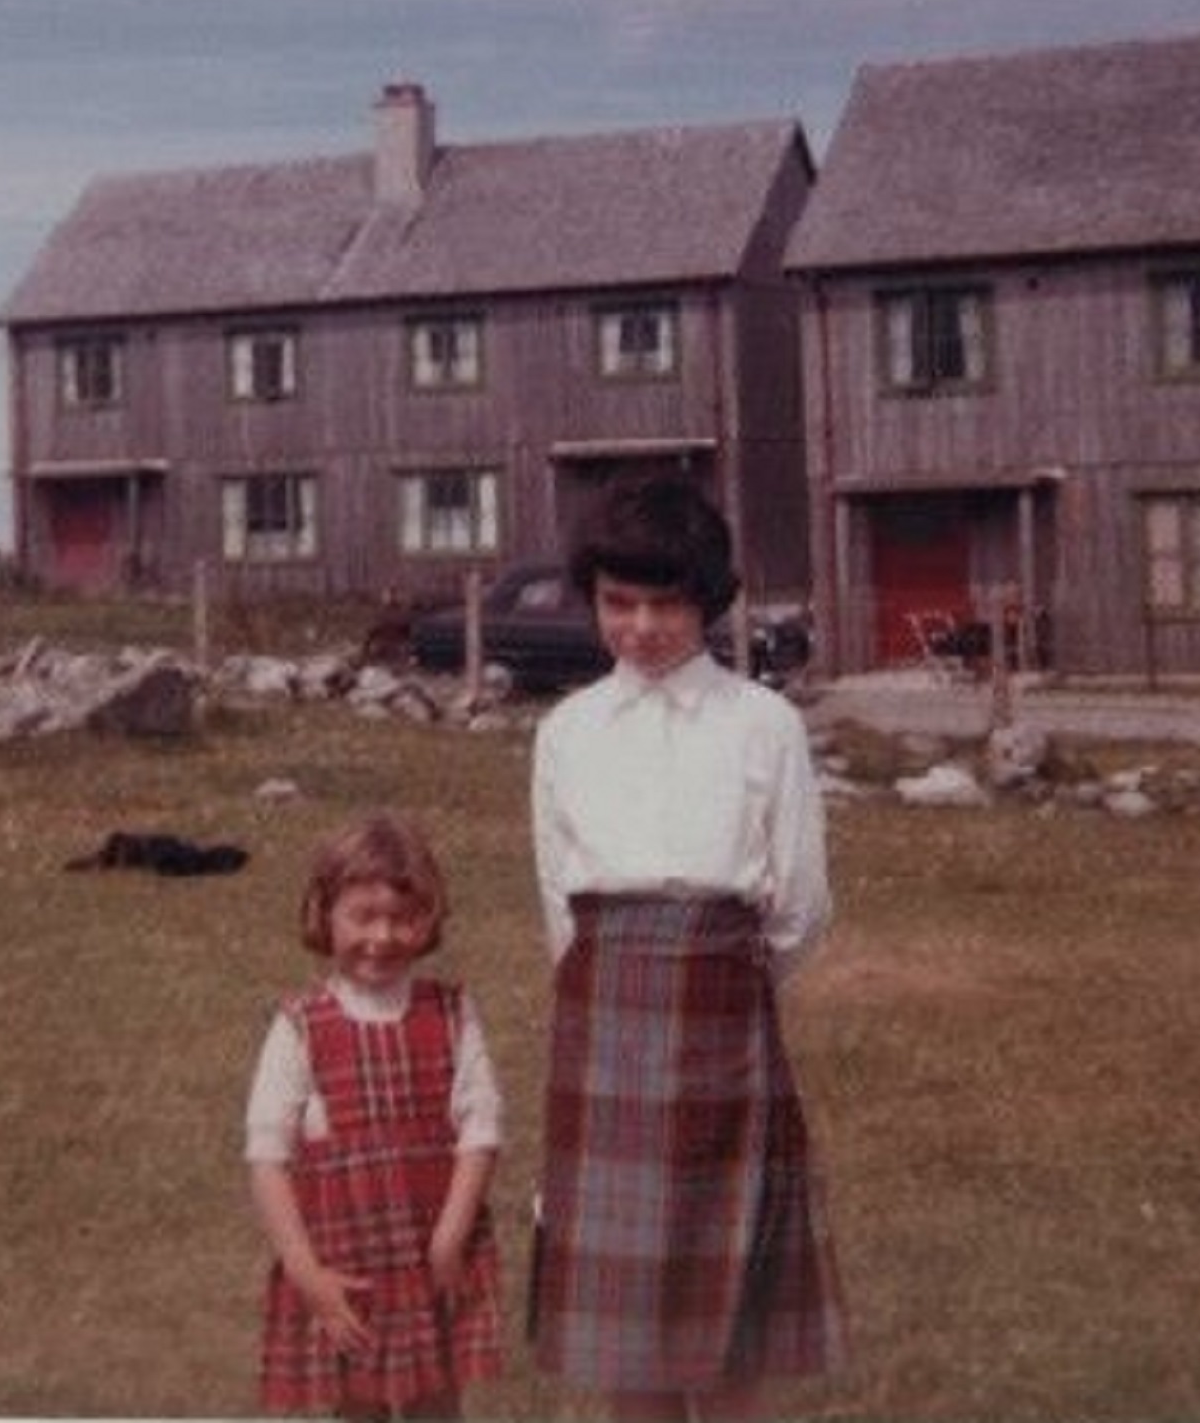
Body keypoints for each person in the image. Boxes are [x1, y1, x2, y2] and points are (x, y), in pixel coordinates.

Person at [530, 475, 847, 1421]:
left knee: (727, 1302)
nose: (640, 625)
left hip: (725, 1024)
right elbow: (558, 898)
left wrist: (722, 985)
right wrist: (618, 986)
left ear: (708, 601)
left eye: (665, 602)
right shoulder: (567, 730)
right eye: (617, 603)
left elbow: (799, 903)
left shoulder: (764, 724)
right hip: (605, 1025)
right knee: (629, 1319)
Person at [245, 814, 502, 1421]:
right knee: (356, 1407)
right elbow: (267, 1157)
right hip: (344, 1270)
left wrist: (451, 1237)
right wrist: (307, 1275)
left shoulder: (452, 1013)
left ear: (429, 919)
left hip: (432, 1258)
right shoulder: (301, 1025)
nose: (382, 936)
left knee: (437, 1405)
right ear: (326, 915)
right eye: (363, 916)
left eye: (402, 917)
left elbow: (482, 1129)